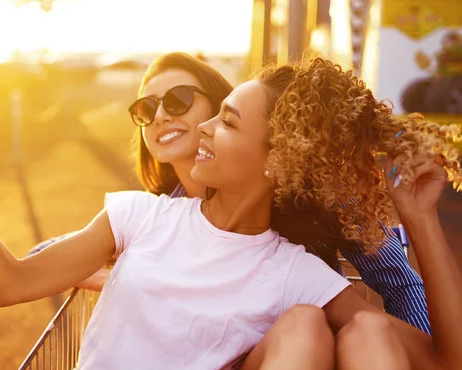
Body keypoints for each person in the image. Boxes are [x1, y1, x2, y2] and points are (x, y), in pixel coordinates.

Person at [0, 57, 462, 370]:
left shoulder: (296, 271)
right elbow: (9, 282)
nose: (201, 129)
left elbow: (448, 367)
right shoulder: (139, 217)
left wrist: (420, 219)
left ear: (278, 161)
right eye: (148, 109)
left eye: (225, 121)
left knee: (306, 327)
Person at [33, 52, 432, 335]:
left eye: (178, 99)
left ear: (217, 105)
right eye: (146, 108)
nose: (159, 116)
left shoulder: (314, 194)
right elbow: (40, 259)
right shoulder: (162, 214)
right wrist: (123, 275)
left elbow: (399, 283)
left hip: (314, 356)